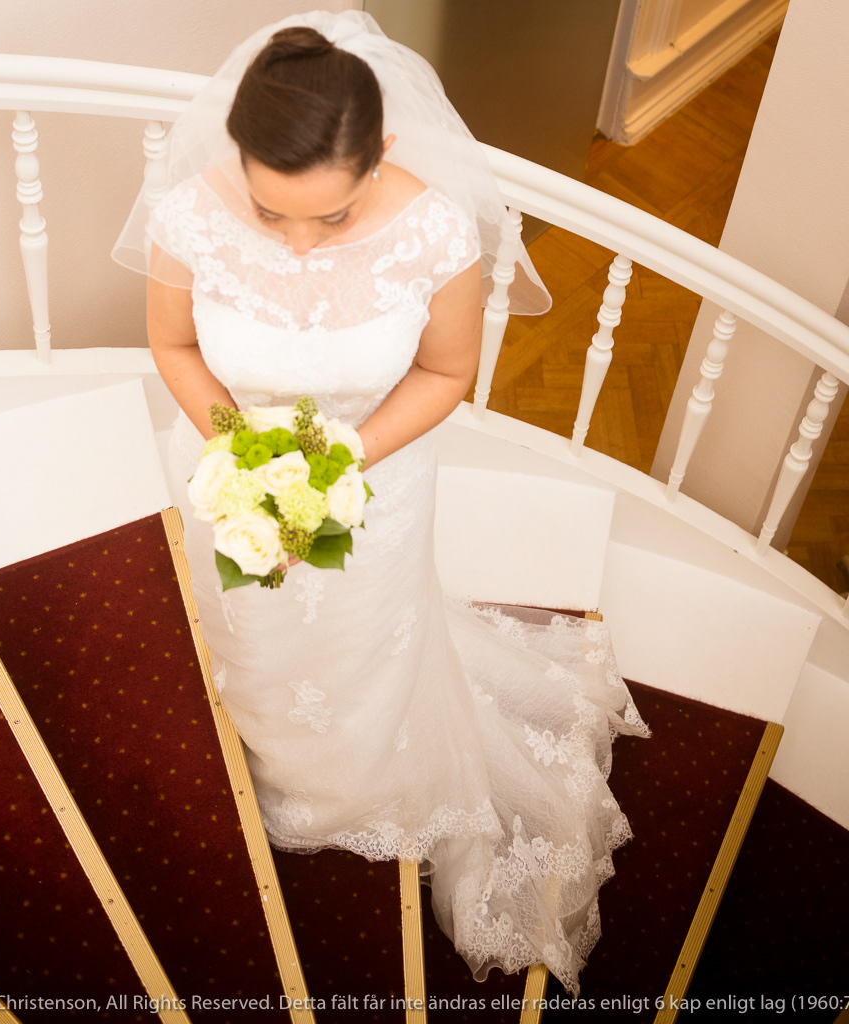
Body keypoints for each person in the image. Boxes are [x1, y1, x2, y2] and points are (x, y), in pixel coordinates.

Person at [113, 10, 648, 996]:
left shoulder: (436, 233)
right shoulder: (187, 216)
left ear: (382, 153)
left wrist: (338, 461)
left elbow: (445, 373)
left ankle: (361, 777)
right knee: (252, 628)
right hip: (234, 468)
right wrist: (244, 454)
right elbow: (175, 345)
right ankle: (268, 753)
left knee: (363, 636)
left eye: (332, 217)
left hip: (377, 475)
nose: (298, 244)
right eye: (269, 212)